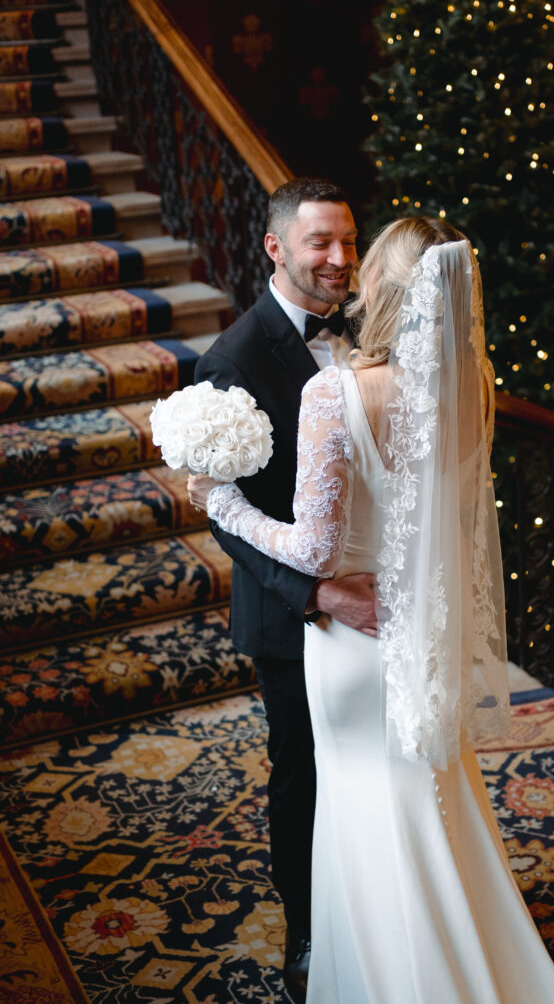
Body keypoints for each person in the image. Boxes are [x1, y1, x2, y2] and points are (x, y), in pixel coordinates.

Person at [190, 217, 554, 1003]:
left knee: (364, 811)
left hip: (351, 642)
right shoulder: (471, 388)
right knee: (429, 796)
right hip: (419, 625)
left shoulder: (336, 391)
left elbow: (310, 547)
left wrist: (220, 502)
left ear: (384, 284)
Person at [193, 177, 376, 1003]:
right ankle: (306, 935)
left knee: (373, 766)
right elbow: (228, 517)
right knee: (299, 774)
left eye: (348, 242)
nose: (340, 259)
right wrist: (314, 595)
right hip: (288, 613)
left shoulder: (368, 331)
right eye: (320, 244)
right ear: (276, 247)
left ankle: (374, 909)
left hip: (373, 595)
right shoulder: (231, 358)